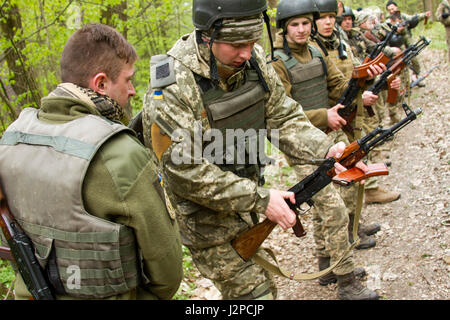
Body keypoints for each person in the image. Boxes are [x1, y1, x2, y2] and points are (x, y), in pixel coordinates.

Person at [142, 0, 378, 300]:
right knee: (257, 294)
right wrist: (261, 199)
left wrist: (327, 150)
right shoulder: (173, 85)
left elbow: (283, 116)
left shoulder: (252, 59)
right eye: (236, 44)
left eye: (252, 41)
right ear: (207, 36)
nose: (246, 51)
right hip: (205, 220)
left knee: (267, 287)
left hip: (247, 204)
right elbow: (183, 172)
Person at [0, 23, 183, 300]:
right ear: (100, 83)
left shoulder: (12, 138)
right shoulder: (119, 153)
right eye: (127, 80)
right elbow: (167, 271)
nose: (132, 90)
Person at [272, 0, 385, 257]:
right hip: (301, 143)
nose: (301, 29)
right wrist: (324, 116)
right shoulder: (276, 62)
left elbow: (337, 85)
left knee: (346, 190)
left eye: (305, 24)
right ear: (284, 28)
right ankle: (341, 272)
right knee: (329, 205)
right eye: (294, 24)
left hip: (330, 135)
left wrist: (363, 85)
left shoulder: (315, 50)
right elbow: (282, 111)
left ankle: (328, 258)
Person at [312, 0, 402, 207]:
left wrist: (376, 83)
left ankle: (358, 215)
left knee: (356, 163)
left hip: (351, 110)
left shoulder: (340, 44)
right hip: (329, 119)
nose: (328, 22)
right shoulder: (313, 49)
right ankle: (352, 223)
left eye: (331, 17)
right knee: (338, 179)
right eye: (322, 18)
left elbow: (355, 74)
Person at [385, 0, 432, 84]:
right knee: (402, 64)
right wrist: (396, 31)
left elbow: (413, 18)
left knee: (415, 60)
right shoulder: (388, 21)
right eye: (389, 10)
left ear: (396, 7)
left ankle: (416, 78)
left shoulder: (403, 16)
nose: (392, 11)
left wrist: (424, 15)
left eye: (393, 9)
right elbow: (387, 34)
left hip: (408, 41)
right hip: (398, 45)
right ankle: (405, 84)